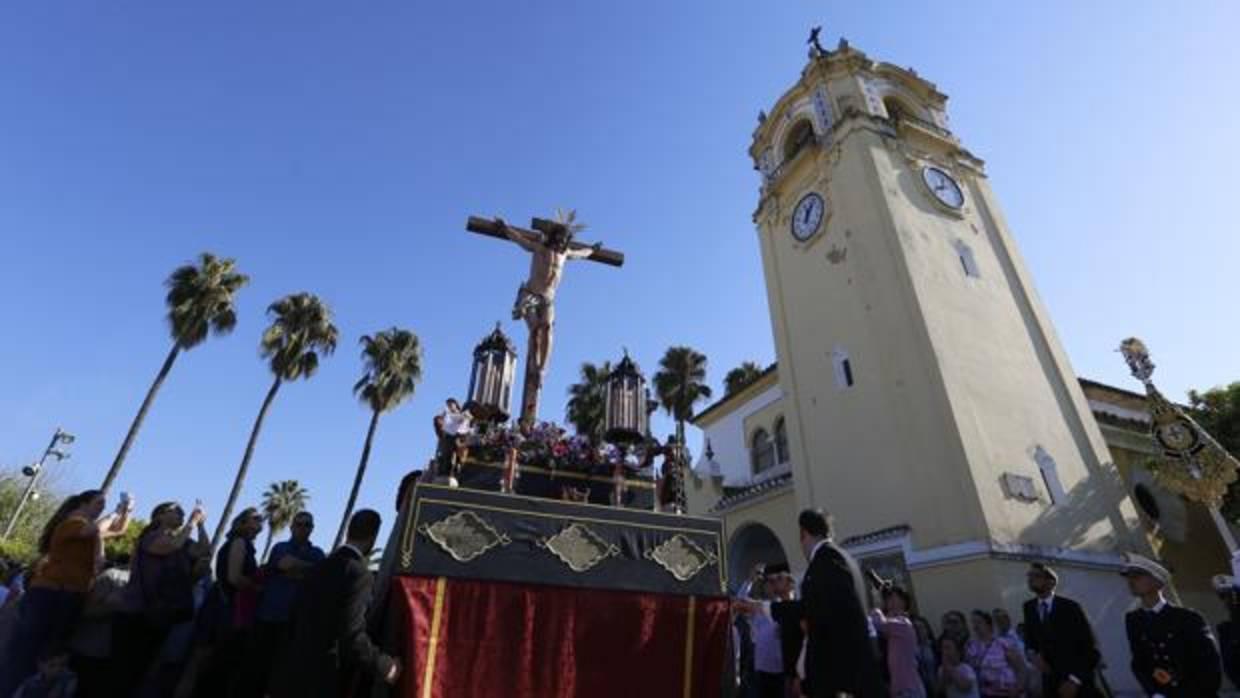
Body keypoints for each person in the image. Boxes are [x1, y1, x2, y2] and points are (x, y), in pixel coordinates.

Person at [0, 489, 129, 696]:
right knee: (26, 649)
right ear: (83, 504)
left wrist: (126, 510)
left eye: (104, 506)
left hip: (72, 593)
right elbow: (92, 530)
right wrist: (113, 513)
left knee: (49, 653)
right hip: (49, 592)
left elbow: (119, 530)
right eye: (98, 504)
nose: (102, 509)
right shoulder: (72, 522)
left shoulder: (92, 532)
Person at [271, 509, 400, 698]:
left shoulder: (319, 566)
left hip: (292, 672)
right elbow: (351, 635)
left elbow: (294, 616)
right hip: (322, 678)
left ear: (348, 530)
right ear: (373, 537)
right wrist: (384, 666)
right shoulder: (358, 574)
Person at [111, 500, 209, 697]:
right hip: (136, 611)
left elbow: (203, 550)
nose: (181, 513)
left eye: (182, 511)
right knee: (122, 669)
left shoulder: (182, 540)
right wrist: (191, 522)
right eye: (175, 510)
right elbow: (171, 547)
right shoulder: (151, 537)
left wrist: (200, 526)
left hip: (160, 614)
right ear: (160, 516)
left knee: (141, 669)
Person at [794, 508, 883, 698]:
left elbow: (824, 623)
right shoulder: (847, 558)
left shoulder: (824, 562)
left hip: (841, 680)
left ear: (804, 534)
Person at [245, 511, 326, 697]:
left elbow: (320, 573)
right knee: (255, 668)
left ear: (312, 529)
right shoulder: (280, 547)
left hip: (294, 621)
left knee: (279, 672)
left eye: (307, 525)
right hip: (267, 616)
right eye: (299, 524)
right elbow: (281, 565)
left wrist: (299, 566)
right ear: (292, 527)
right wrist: (304, 570)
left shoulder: (317, 553)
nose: (303, 528)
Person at [1121, 553, 1221, 697]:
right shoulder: (1133, 620)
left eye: (1137, 576)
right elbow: (1139, 663)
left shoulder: (1188, 618)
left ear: (1157, 581)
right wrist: (1155, 693)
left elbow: (1210, 665)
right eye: (1128, 576)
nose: (1131, 581)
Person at [1021, 562, 1101, 698]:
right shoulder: (1029, 608)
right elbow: (1030, 641)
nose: (1031, 579)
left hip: (1077, 683)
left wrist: (1074, 681)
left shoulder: (1070, 607)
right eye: (1029, 575)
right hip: (1051, 683)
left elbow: (1090, 650)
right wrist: (1032, 655)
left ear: (1051, 582)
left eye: (1036, 575)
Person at [68, 554, 130, 698]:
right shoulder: (114, 576)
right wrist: (117, 608)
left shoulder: (158, 590)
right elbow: (88, 610)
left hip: (116, 661)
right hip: (91, 652)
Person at [871, 587, 926, 698]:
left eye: (894, 598)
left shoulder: (903, 623)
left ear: (904, 602)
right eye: (888, 599)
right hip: (900, 689)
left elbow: (879, 623)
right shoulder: (895, 627)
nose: (889, 602)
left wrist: (876, 605)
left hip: (909, 690)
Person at [964, 610, 1026, 697]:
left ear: (988, 625)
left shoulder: (1003, 643)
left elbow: (1020, 668)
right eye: (973, 622)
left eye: (979, 622)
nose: (975, 626)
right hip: (986, 693)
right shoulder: (971, 647)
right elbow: (970, 671)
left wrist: (1018, 688)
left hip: (1009, 691)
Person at [1213, 574, 1240, 689]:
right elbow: (1230, 667)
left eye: (1234, 596)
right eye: (1223, 596)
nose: (1228, 601)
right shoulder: (1226, 630)